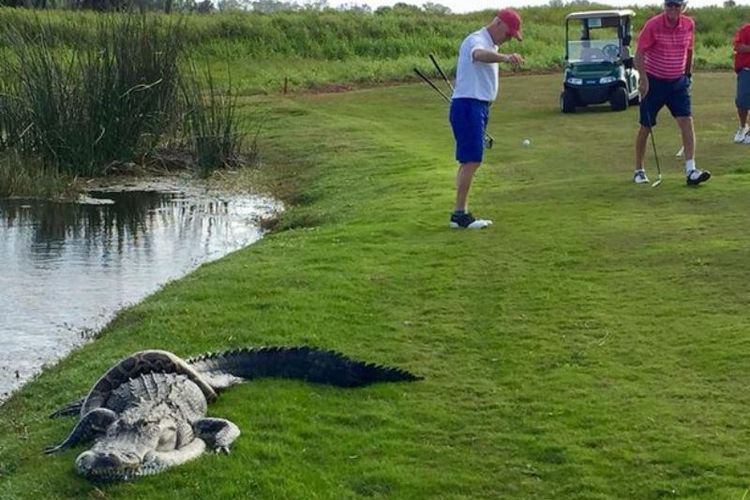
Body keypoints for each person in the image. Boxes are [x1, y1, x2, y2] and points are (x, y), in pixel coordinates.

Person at [448, 9, 524, 229]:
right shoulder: (477, 40)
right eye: (508, 34)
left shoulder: (492, 45)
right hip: (469, 105)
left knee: (470, 160)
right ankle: (460, 214)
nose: (508, 39)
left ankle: (459, 213)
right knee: (472, 160)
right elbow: (477, 55)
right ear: (497, 23)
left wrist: (501, 54)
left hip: (477, 106)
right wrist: (506, 58)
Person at [632, 0, 710, 187]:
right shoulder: (653, 25)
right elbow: (639, 53)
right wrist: (643, 79)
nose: (673, 9)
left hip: (677, 83)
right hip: (654, 82)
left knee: (686, 121)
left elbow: (689, 50)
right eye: (669, 4)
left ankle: (691, 170)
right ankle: (639, 170)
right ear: (664, 5)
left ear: (683, 6)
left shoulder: (688, 24)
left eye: (677, 5)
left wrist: (688, 75)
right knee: (646, 126)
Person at [732, 21, 750, 143]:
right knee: (741, 101)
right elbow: (738, 46)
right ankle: (743, 126)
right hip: (746, 69)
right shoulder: (746, 29)